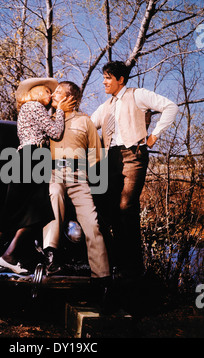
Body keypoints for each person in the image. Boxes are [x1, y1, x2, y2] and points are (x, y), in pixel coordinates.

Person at [91, 61, 178, 284]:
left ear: (120, 79)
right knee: (105, 210)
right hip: (111, 159)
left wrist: (155, 135)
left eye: (108, 77)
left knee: (126, 207)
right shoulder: (106, 105)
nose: (104, 81)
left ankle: (132, 270)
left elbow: (171, 106)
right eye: (104, 77)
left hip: (133, 155)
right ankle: (115, 265)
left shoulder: (137, 95)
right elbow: (89, 126)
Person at [0, 77, 75, 273]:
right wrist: (60, 109)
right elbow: (56, 132)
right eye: (46, 91)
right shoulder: (33, 106)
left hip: (32, 157)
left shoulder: (33, 110)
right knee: (29, 211)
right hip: (31, 157)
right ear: (34, 93)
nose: (50, 95)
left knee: (25, 212)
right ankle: (2, 257)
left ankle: (0, 258)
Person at [43, 81, 111, 302]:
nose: (53, 96)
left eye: (58, 93)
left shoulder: (85, 121)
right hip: (53, 172)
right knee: (54, 194)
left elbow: (96, 154)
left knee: (92, 222)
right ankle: (50, 253)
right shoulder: (50, 119)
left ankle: (102, 279)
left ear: (71, 98)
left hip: (79, 176)